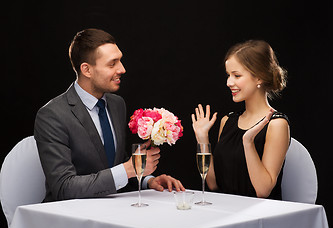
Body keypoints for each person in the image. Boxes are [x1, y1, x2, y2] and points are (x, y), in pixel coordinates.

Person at [34, 28, 184, 202]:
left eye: (120, 61)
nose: (122, 69)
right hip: (70, 219)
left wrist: (147, 180)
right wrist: (129, 169)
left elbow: (114, 162)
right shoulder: (52, 115)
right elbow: (64, 187)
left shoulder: (116, 104)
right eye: (112, 64)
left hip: (113, 211)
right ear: (87, 70)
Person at [191, 40, 290, 200]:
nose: (229, 82)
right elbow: (213, 184)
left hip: (259, 218)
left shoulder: (277, 124)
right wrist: (202, 139)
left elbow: (263, 191)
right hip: (226, 211)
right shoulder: (227, 121)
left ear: (259, 78)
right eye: (228, 75)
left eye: (237, 75)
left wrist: (248, 142)